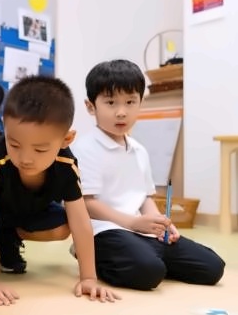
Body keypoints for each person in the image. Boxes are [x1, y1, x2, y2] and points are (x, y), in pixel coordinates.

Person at [0, 75, 119, 305]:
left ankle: (5, 237)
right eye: (15, 144)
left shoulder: (66, 165)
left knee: (64, 227)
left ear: (66, 140)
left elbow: (80, 221)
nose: (25, 158)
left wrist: (88, 277)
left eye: (40, 149)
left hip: (22, 206)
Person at [72, 59, 225, 290]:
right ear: (91, 106)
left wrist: (161, 224)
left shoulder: (139, 150)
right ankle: (103, 258)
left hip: (140, 230)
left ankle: (146, 258)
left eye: (130, 102)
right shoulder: (84, 148)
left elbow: (144, 197)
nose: (121, 112)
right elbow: (87, 203)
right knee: (149, 273)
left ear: (141, 102)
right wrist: (133, 222)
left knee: (213, 268)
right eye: (111, 102)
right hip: (105, 231)